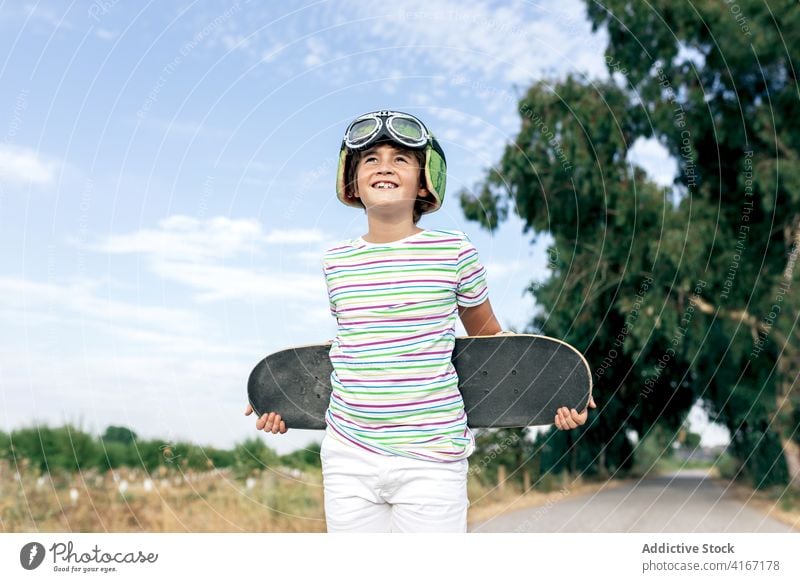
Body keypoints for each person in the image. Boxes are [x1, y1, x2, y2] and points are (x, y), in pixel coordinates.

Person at [245, 110, 596, 532]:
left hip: (432, 457)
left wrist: (555, 386)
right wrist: (280, 393)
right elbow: (355, 343)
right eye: (370, 160)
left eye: (401, 159)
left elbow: (491, 341)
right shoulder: (336, 261)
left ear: (425, 179)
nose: (384, 166)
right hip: (348, 454)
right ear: (352, 181)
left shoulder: (453, 252)